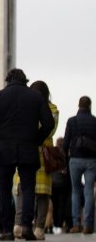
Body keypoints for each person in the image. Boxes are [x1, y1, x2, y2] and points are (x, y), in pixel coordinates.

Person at [0, 69, 54, 242]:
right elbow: (49, 123)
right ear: (25, 80)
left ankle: (7, 230)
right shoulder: (35, 97)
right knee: (28, 189)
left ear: (8, 80)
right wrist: (37, 139)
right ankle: (27, 227)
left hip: (4, 148)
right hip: (28, 148)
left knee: (5, 190)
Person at [24, 81, 58, 240]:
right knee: (28, 191)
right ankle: (28, 226)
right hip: (34, 151)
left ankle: (38, 227)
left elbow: (49, 130)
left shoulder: (51, 109)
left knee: (41, 193)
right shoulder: (48, 109)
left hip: (42, 154)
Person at [62, 96, 96, 234]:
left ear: (78, 105)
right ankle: (88, 225)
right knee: (89, 192)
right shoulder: (95, 121)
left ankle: (76, 224)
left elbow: (65, 143)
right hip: (92, 161)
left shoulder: (72, 121)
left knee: (75, 191)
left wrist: (63, 162)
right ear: (89, 106)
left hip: (75, 159)